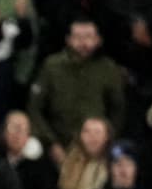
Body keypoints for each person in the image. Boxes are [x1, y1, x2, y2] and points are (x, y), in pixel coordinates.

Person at [27, 16, 125, 165]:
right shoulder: (51, 66)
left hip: (97, 148)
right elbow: (34, 108)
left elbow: (118, 109)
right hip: (60, 145)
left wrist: (107, 141)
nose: (83, 43)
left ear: (98, 40)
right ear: (68, 39)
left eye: (88, 37)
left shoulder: (108, 68)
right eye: (78, 37)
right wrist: (51, 143)